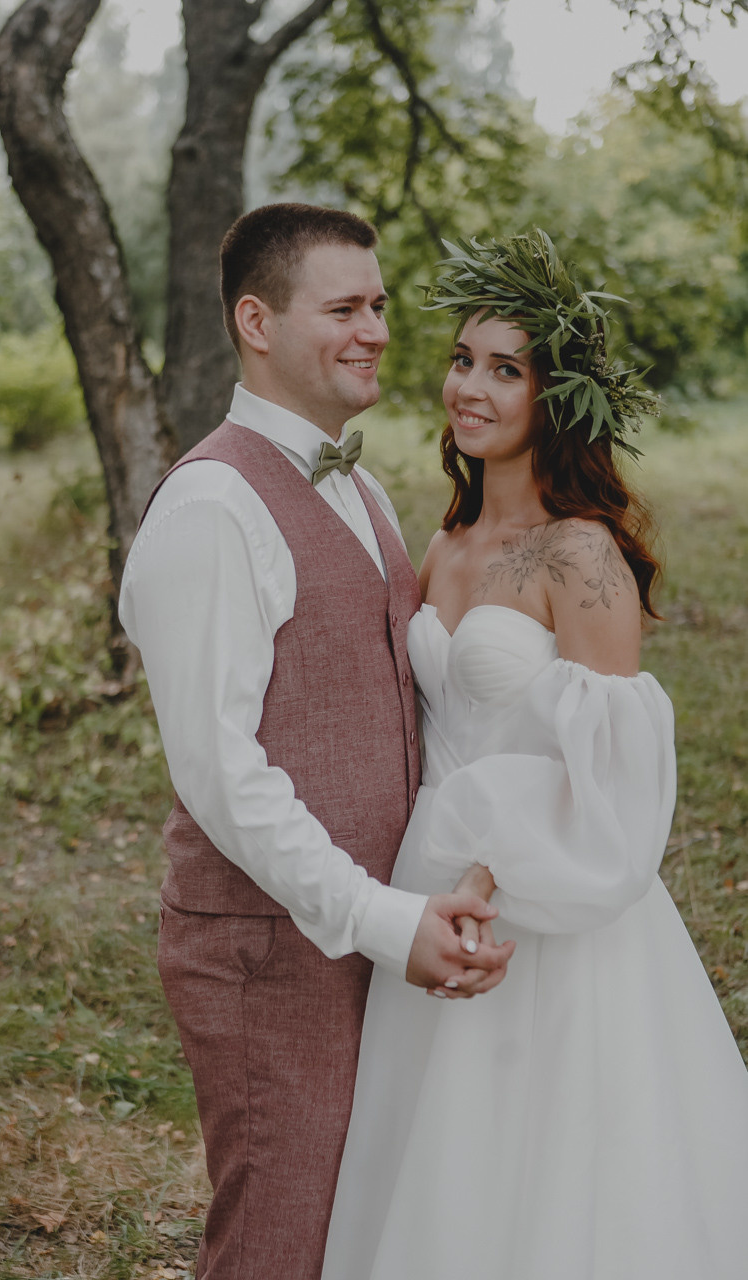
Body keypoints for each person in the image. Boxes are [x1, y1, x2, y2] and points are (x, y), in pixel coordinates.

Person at [322, 228, 748, 1280]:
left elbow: (616, 782)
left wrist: (493, 867)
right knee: (435, 1169)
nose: (469, 386)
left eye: (504, 369)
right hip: (430, 892)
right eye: (462, 359)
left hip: (545, 905)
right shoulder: (444, 542)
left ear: (555, 399)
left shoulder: (582, 553)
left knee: (553, 1180)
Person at [118, 204, 514, 1280]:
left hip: (368, 930)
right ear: (257, 320)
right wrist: (383, 917)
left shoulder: (366, 487)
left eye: (379, 305)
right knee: (275, 1243)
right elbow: (219, 770)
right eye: (342, 307)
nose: (376, 330)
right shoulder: (211, 504)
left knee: (357, 1229)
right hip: (268, 947)